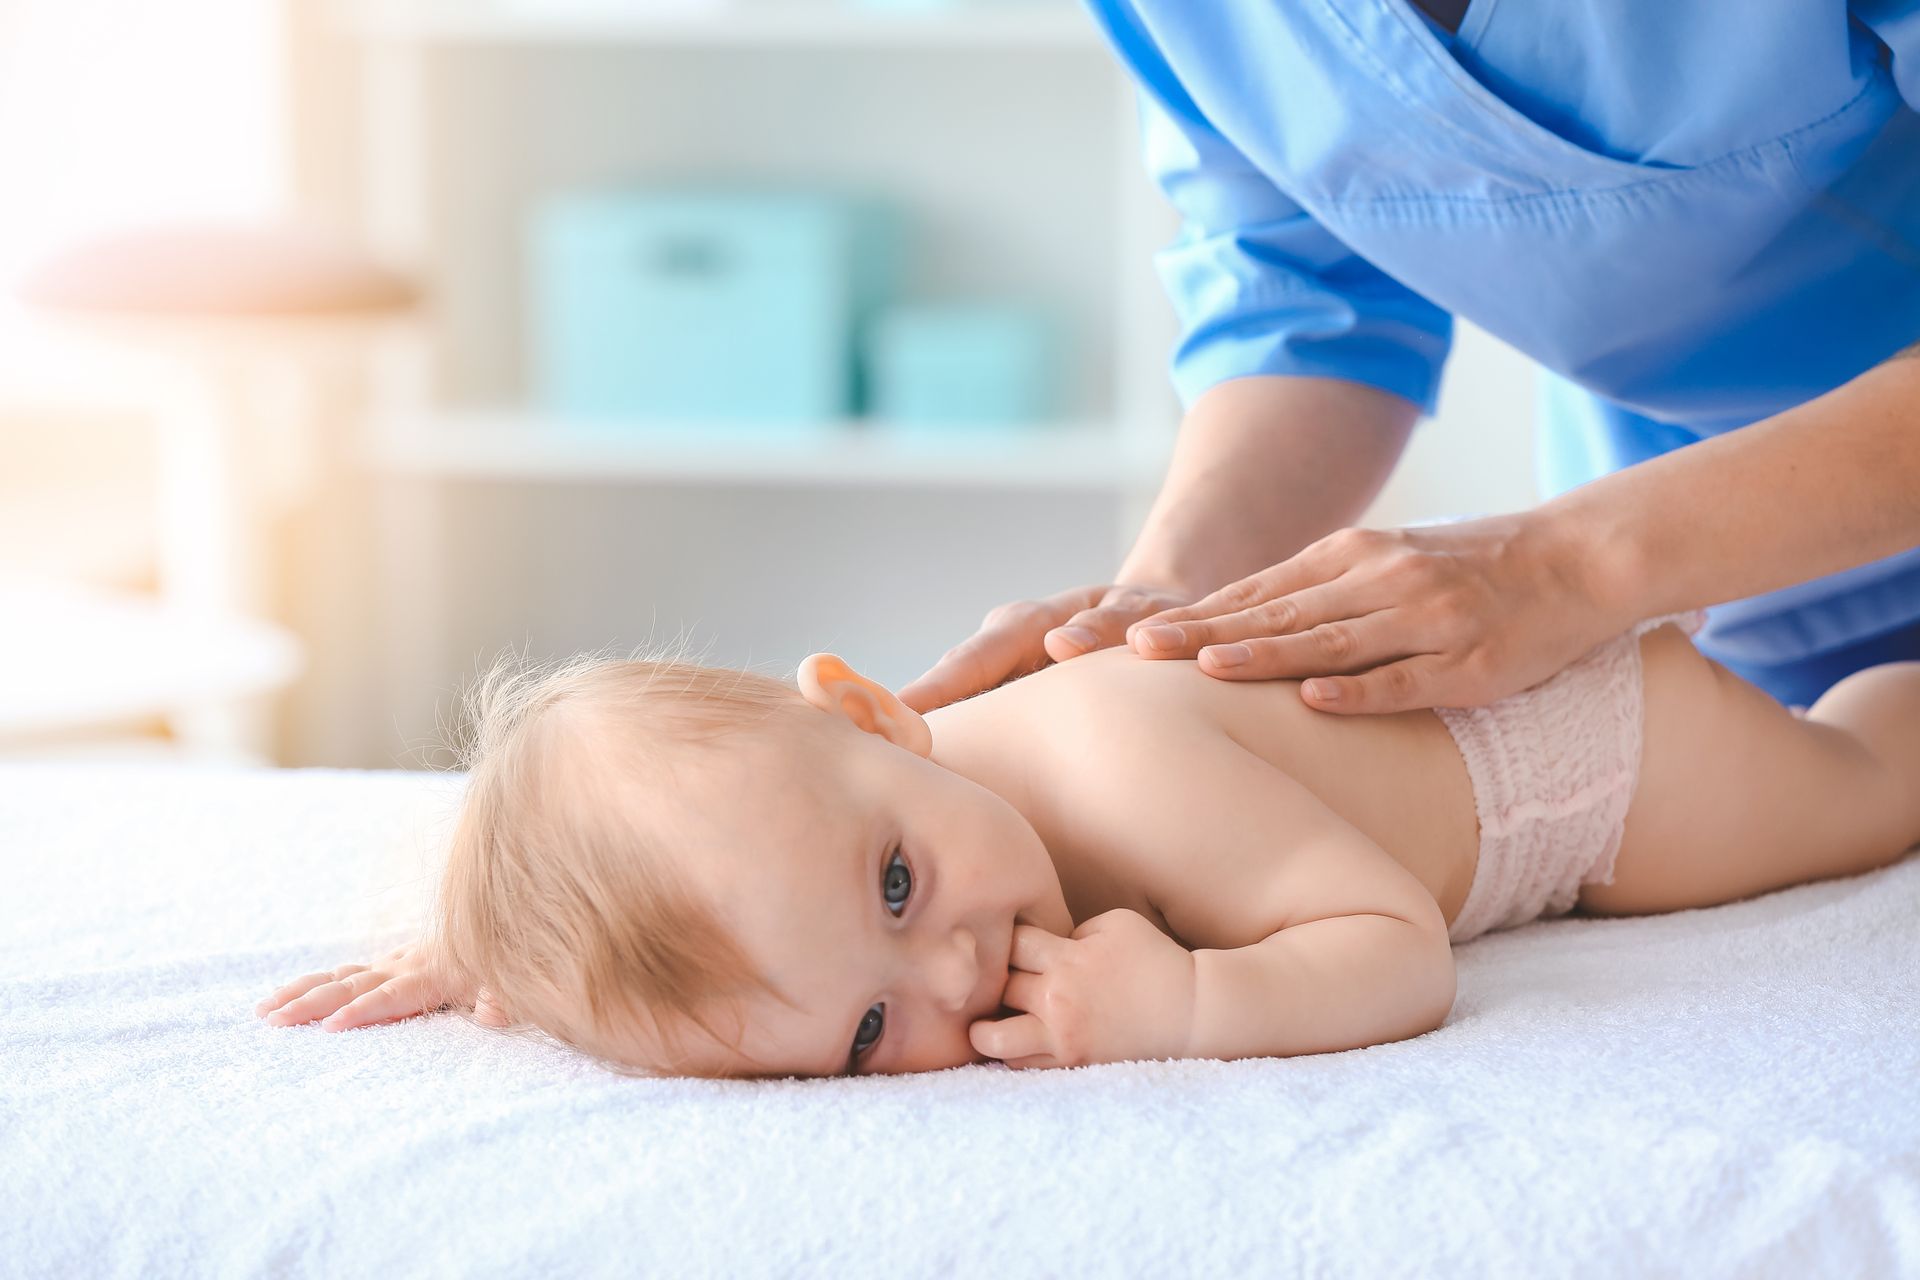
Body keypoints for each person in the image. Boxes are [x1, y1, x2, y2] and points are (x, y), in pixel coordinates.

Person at [257, 622, 1920, 1077]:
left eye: (898, 888)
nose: (952, 972)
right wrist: (497, 953)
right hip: (1517, 756)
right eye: (861, 1038)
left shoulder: (1112, 767)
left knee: (1858, 781)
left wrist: (1193, 1008)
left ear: (878, 714)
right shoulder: (833, 821)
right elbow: (691, 926)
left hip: (1582, 762)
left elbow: (1392, 941)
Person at [899, 1, 1920, 721]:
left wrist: (1568, 565)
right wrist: (1169, 603)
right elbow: (1307, 301)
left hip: (1655, 553)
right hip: (1726, 601)